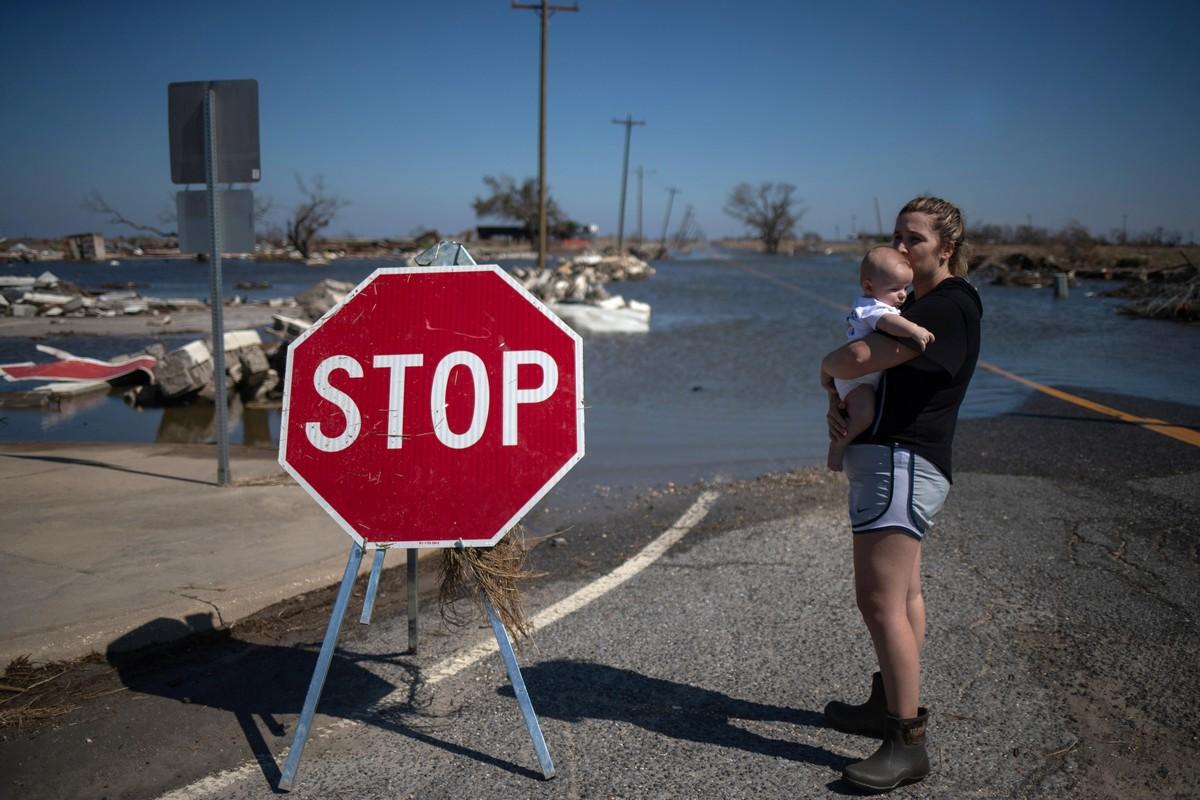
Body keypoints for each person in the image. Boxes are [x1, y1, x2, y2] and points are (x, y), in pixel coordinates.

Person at [818, 196, 983, 792]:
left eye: (915, 239)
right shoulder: (917, 302)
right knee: (905, 593)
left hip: (902, 461)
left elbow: (859, 354)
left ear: (947, 249)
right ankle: (888, 702)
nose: (902, 247)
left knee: (879, 599)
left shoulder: (950, 305)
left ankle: (906, 741)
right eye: (897, 235)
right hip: (899, 458)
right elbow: (867, 357)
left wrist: (826, 366)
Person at [827, 246, 935, 472]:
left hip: (864, 374)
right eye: (895, 289)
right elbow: (887, 323)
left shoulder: (883, 302)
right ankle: (839, 444)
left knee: (865, 412)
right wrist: (914, 329)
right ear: (868, 286)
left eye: (906, 287)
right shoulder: (870, 307)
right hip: (857, 379)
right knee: (865, 414)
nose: (903, 295)